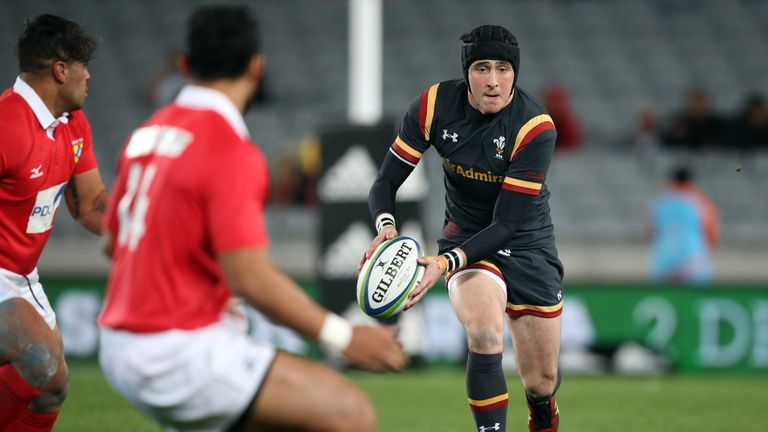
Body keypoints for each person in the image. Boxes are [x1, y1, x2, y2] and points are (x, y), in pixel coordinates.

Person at [97, 5, 406, 432]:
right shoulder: (228, 147)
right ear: (257, 66)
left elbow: (113, 244)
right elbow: (250, 278)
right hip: (175, 349)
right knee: (349, 413)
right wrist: (344, 337)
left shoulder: (147, 133)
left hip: (118, 342)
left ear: (184, 64)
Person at [361, 25, 564, 432]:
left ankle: (542, 411)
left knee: (541, 382)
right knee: (486, 335)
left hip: (526, 242)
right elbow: (385, 182)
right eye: (482, 68)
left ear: (515, 73)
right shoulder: (434, 105)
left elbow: (507, 222)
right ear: (466, 71)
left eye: (503, 69)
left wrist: (443, 263)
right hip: (467, 237)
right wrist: (385, 225)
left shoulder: (535, 127)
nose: (492, 81)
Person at [0, 14, 107, 432]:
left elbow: (92, 205)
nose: (90, 76)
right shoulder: (8, 124)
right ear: (61, 70)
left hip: (23, 275)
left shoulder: (72, 124)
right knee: (41, 356)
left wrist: (145, 224)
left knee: (51, 388)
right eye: (84, 64)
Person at [648, 166, 720, 284]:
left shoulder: (659, 203)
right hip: (694, 263)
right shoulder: (701, 203)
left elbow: (651, 233)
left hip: (665, 261)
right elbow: (712, 235)